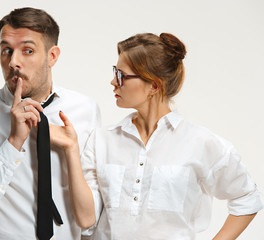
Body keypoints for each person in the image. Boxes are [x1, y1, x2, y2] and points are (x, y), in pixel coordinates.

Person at [50, 32, 263, 239]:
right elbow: (86, 220)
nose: (113, 82)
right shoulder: (101, 140)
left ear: (153, 85)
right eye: (115, 72)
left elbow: (247, 197)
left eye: (121, 75)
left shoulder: (200, 143)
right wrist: (71, 148)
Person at [0, 7, 100, 240]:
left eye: (27, 50)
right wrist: (13, 142)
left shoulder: (85, 110)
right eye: (6, 50)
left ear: (52, 56)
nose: (13, 62)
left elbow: (90, 220)